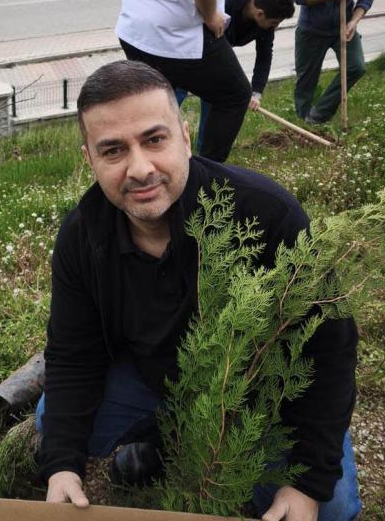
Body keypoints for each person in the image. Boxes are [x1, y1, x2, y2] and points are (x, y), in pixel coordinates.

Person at [36, 60, 361, 521]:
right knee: (52, 422)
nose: (140, 168)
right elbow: (73, 354)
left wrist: (308, 482)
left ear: (185, 137)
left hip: (261, 396)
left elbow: (328, 353)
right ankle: (164, 435)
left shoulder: (267, 215)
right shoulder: (81, 238)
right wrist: (62, 466)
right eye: (113, 150)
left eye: (154, 139)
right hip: (153, 380)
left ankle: (193, 442)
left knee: (331, 508)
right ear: (89, 159)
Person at [110, 0, 251, 163]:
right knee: (234, 95)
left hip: (135, 26)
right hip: (180, 32)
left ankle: (153, 166)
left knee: (155, 103)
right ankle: (207, 174)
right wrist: (210, 15)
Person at [176, 0, 295, 152]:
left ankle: (205, 157)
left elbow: (264, 56)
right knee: (175, 93)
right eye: (274, 23)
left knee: (216, 96)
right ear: (260, 14)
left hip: (214, 51)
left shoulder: (266, 19)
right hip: (185, 48)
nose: (274, 28)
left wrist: (256, 92)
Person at [293, 0, 375, 124]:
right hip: (311, 28)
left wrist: (354, 21)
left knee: (356, 67)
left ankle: (319, 115)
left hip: (344, 26)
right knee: (306, 82)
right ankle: (302, 123)